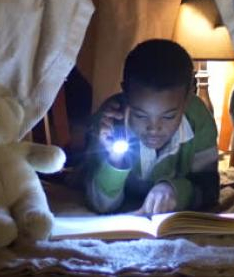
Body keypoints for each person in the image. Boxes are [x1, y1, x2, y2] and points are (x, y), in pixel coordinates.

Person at [83, 39, 220, 215]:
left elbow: (209, 190)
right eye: (140, 115)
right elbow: (100, 204)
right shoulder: (109, 122)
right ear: (126, 94)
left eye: (169, 116)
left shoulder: (198, 119)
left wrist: (174, 191)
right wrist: (115, 161)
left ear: (188, 98)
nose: (154, 128)